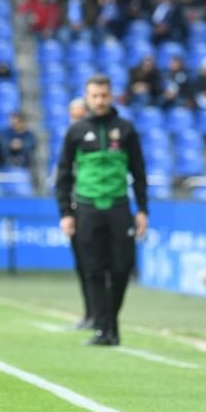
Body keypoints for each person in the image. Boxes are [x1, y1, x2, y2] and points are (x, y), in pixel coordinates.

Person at [55, 75, 149, 346]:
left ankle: (108, 324)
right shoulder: (75, 132)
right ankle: (105, 329)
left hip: (120, 207)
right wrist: (66, 213)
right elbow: (63, 176)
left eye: (104, 95)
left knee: (122, 269)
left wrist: (142, 209)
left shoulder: (127, 129)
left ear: (111, 96)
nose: (99, 101)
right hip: (86, 209)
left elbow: (139, 173)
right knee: (93, 269)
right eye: (94, 96)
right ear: (87, 97)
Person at [67, 98, 95, 330]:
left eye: (79, 116)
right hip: (75, 210)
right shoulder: (70, 141)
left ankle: (99, 315)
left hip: (90, 209)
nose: (75, 121)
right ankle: (90, 313)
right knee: (82, 265)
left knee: (94, 265)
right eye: (72, 116)